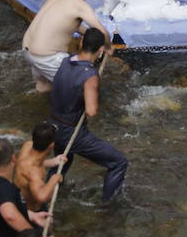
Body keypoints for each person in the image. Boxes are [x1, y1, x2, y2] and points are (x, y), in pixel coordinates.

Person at [50, 27, 128, 201]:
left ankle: (47, 196)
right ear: (99, 50)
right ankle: (108, 205)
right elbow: (91, 111)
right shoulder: (90, 75)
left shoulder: (66, 60)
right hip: (71, 131)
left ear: (81, 42)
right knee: (118, 162)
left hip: (53, 125)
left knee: (63, 161)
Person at [21, 0, 112, 91]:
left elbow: (61, 23)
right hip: (47, 58)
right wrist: (108, 46)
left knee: (45, 86)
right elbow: (102, 32)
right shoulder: (80, 5)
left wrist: (86, 33)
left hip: (27, 50)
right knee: (86, 89)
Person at [13, 122, 63, 209]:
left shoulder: (27, 146)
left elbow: (28, 164)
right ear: (51, 145)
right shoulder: (34, 173)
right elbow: (42, 197)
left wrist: (53, 161)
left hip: (17, 200)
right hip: (31, 212)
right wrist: (55, 178)